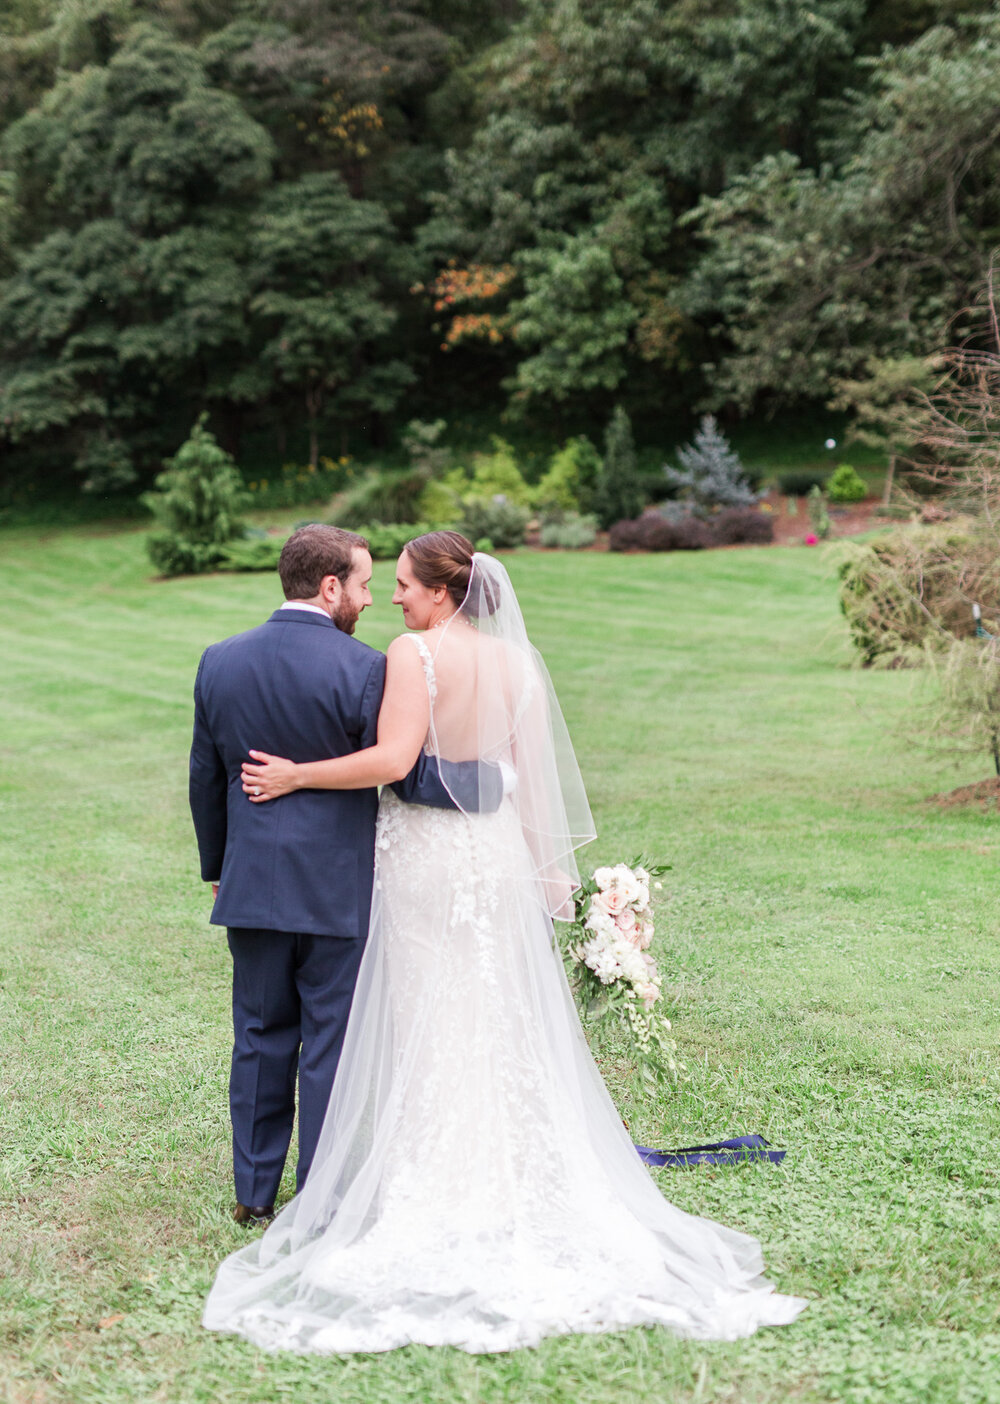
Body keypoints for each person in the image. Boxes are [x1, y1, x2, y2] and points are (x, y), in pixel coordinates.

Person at [203, 531, 805, 1351]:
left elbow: (395, 759)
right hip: (489, 861)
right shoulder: (520, 665)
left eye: (408, 584)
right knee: (488, 1010)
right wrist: (551, 883)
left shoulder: (409, 656)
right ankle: (488, 1168)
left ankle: (377, 1179)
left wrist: (296, 775)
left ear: (443, 595)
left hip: (420, 864)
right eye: (388, 584)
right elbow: (525, 785)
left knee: (415, 1013)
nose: (397, 598)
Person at [189, 524, 503, 1227]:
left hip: (251, 887)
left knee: (260, 1034)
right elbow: (407, 774)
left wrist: (217, 868)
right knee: (329, 1040)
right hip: (338, 887)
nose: (370, 599)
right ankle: (323, 1193)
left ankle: (253, 1191)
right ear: (329, 586)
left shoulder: (220, 661)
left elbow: (206, 780)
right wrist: (494, 783)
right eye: (362, 585)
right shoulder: (366, 669)